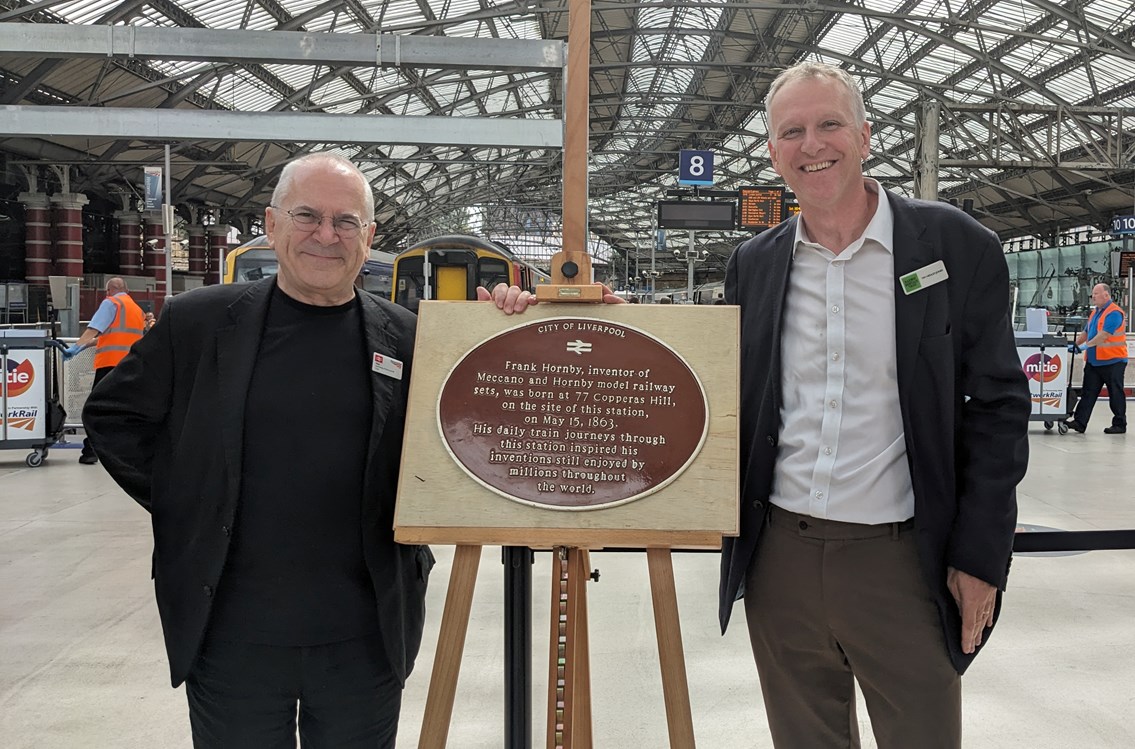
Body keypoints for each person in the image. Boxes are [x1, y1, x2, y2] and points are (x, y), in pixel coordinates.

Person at [81, 154, 544, 748]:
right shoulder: (198, 323)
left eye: (345, 222)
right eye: (308, 216)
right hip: (231, 631)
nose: (327, 235)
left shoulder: (408, 335)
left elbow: (497, 418)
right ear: (272, 226)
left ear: (369, 238)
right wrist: (189, 500)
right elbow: (114, 417)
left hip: (366, 634)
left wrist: (531, 322)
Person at [717, 62, 1030, 748]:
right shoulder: (755, 264)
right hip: (779, 560)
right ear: (771, 152)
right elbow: (705, 376)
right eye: (790, 131)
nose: (811, 144)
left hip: (903, 562)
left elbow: (998, 409)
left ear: (863, 134)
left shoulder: (952, 246)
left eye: (828, 123)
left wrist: (980, 557)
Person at [63, 277, 145, 465]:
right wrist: (84, 347)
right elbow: (112, 337)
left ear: (109, 291)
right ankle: (125, 452)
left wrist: (76, 346)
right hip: (130, 366)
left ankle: (90, 451)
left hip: (109, 365)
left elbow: (94, 329)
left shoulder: (111, 303)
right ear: (127, 290)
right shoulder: (136, 310)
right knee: (123, 410)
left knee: (96, 409)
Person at [1065, 283, 1126, 434]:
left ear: (1106, 295)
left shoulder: (1114, 313)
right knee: (1088, 393)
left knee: (1115, 393)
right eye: (1093, 294)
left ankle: (1119, 424)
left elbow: (1104, 335)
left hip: (1113, 361)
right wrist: (1075, 344)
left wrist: (1086, 346)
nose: (1093, 297)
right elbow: (1086, 332)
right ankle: (1080, 422)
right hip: (1094, 361)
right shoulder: (1095, 312)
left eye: (1096, 294)